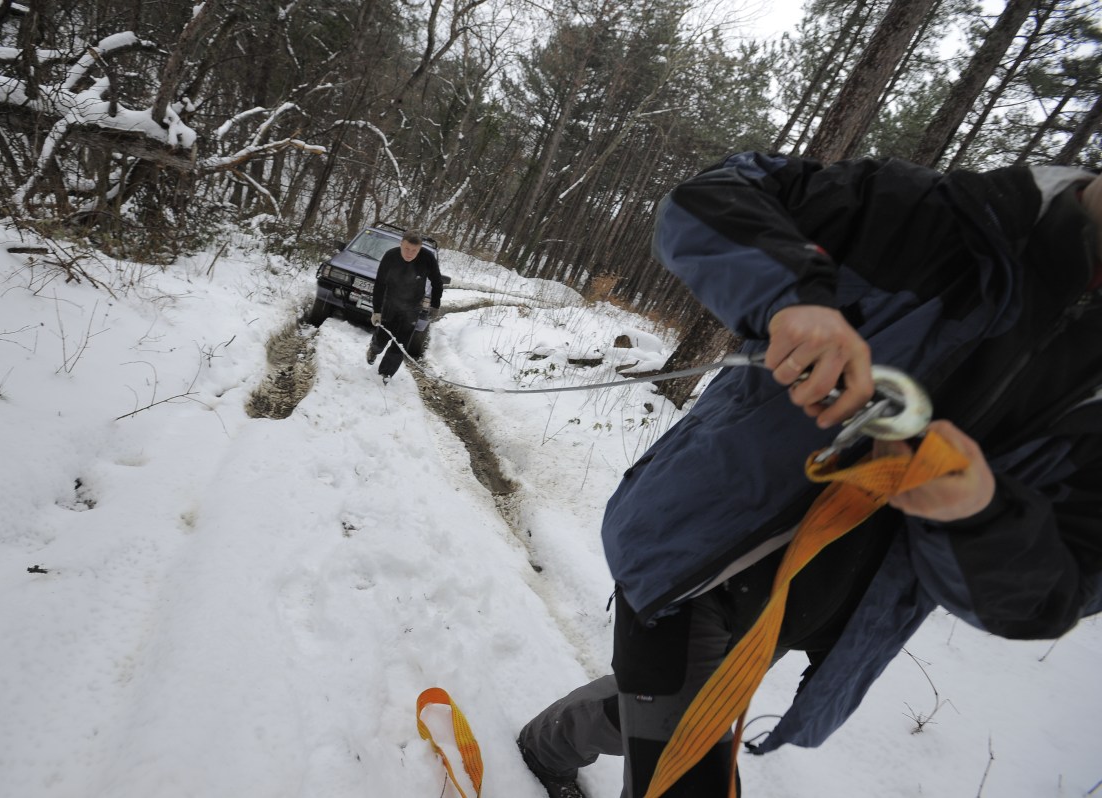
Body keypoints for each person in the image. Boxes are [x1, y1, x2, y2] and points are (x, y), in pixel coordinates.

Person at [518, 152, 1102, 798]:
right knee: (682, 742)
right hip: (690, 562)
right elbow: (703, 199)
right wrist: (792, 295)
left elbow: (1059, 591)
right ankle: (547, 747)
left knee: (670, 708)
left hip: (798, 619)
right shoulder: (934, 215)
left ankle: (544, 746)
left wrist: (980, 518)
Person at [366, 229, 444, 383]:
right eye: (407, 248)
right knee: (381, 339)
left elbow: (437, 282)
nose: (410, 253)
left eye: (414, 250)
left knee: (400, 343)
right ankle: (374, 350)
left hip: (412, 307)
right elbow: (380, 284)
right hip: (390, 303)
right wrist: (376, 311)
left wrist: (435, 305)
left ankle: (385, 374)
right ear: (401, 244)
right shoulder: (390, 256)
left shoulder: (427, 258)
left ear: (420, 249)